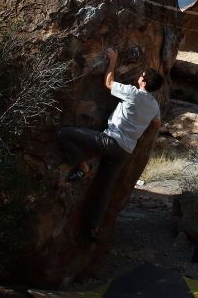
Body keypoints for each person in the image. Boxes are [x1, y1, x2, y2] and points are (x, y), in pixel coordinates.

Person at [58, 47, 162, 237]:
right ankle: (92, 229)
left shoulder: (133, 93)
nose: (139, 75)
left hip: (110, 141)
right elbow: (157, 123)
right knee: (104, 189)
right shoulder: (154, 105)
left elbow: (108, 83)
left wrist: (113, 60)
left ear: (143, 82)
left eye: (142, 75)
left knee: (64, 134)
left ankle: (83, 165)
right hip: (125, 151)